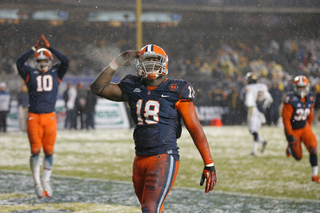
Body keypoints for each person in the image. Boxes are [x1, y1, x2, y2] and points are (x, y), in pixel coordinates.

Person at [90, 44, 217, 213]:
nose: (150, 64)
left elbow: (194, 128)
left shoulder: (177, 89)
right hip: (140, 157)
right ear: (138, 64)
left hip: (164, 155)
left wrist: (209, 163)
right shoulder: (132, 86)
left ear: (164, 64)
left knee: (150, 208)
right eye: (146, 60)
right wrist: (116, 63)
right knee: (152, 207)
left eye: (154, 60)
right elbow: (97, 87)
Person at [16, 34, 69, 198]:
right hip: (34, 116)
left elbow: (65, 61)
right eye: (39, 61)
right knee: (35, 151)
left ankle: (46, 180)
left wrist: (49, 47)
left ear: (50, 61)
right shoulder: (30, 73)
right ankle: (37, 182)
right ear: (36, 62)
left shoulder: (56, 72)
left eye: (45, 60)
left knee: (49, 151)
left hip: (49, 117)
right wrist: (34, 48)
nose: (42, 63)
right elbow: (19, 62)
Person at [282, 75, 319, 183]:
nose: (301, 90)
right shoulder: (290, 99)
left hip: (304, 127)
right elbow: (286, 120)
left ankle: (315, 175)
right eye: (299, 88)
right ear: (295, 88)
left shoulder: (311, 98)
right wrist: (290, 135)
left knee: (313, 148)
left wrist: (309, 128)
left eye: (303, 87)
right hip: (293, 129)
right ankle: (290, 147)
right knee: (298, 157)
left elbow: (310, 114)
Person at [244, 73, 273, 156]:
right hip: (260, 110)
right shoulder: (262, 86)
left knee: (252, 130)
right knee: (255, 131)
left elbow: (248, 102)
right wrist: (263, 106)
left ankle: (262, 141)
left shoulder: (249, 88)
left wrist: (249, 106)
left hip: (253, 108)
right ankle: (254, 150)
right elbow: (269, 99)